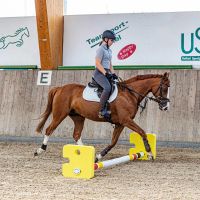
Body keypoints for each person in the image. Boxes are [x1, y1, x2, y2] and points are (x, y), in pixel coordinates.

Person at [93, 30, 118, 119]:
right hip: (99, 73)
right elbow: (97, 63)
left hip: (106, 71)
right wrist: (105, 73)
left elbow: (110, 64)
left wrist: (114, 73)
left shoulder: (109, 51)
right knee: (107, 88)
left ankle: (109, 107)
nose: (112, 42)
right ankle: (101, 110)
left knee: (115, 85)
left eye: (113, 41)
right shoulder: (101, 49)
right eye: (112, 40)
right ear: (106, 39)